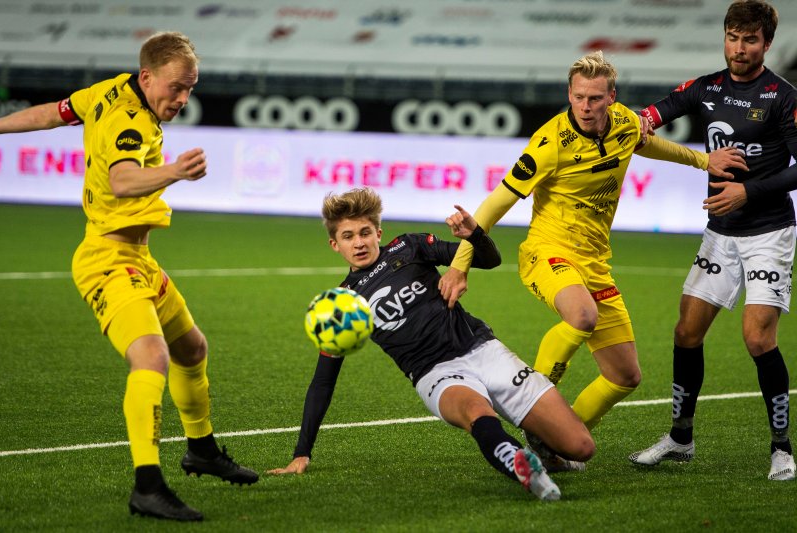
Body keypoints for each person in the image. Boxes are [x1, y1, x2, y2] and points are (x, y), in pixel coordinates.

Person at [0, 31, 259, 520]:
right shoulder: (130, 121)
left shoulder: (108, 89)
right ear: (147, 77)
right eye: (176, 87)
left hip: (139, 260)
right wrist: (175, 172)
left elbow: (52, 112)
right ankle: (148, 484)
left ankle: (201, 450)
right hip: (107, 261)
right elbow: (122, 179)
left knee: (191, 348)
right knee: (152, 355)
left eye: (190, 88)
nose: (182, 99)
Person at [437, 50, 748, 452]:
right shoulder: (548, 144)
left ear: (611, 97)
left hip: (594, 263)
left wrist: (703, 160)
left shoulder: (623, 123)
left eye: (596, 98)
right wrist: (461, 266)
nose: (586, 106)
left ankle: (554, 443)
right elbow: (495, 204)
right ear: (569, 93)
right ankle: (533, 405)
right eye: (580, 96)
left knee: (625, 376)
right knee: (582, 314)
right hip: (547, 252)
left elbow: (648, 144)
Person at [267, 187, 595, 501]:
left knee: (581, 448)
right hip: (436, 375)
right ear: (334, 244)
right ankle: (519, 464)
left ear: (379, 233)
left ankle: (540, 446)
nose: (359, 243)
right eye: (348, 236)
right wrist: (301, 453)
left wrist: (474, 234)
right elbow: (323, 381)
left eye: (365, 232)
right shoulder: (344, 304)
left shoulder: (410, 247)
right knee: (475, 411)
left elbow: (488, 259)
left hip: (482, 348)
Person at [629, 0, 797, 481]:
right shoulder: (706, 89)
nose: (738, 48)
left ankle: (782, 448)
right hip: (720, 233)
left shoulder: (782, 97)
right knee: (686, 332)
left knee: (757, 337)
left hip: (769, 232)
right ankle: (681, 439)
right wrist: (641, 121)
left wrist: (748, 190)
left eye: (749, 40)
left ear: (766, 44)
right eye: (732, 37)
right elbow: (658, 111)